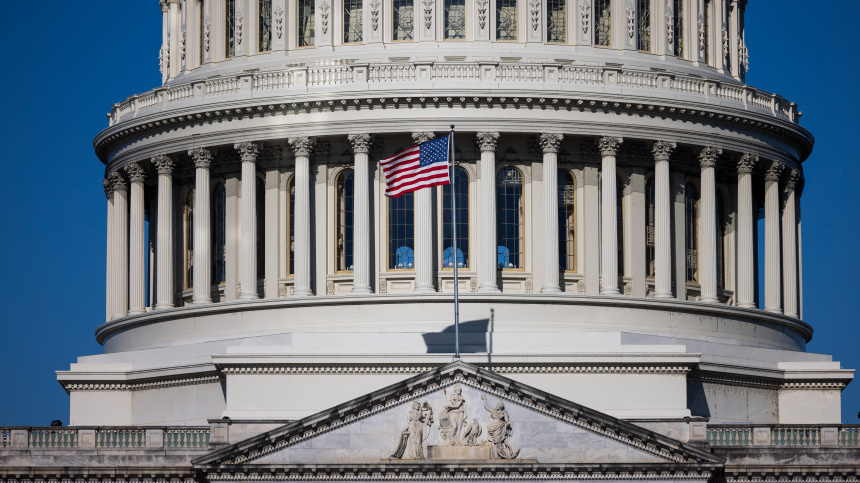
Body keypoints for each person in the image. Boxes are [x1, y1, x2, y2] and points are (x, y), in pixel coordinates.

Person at [481, 395, 519, 459]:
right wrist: (484, 399)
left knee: (498, 441)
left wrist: (506, 423)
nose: (497, 406)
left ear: (501, 407)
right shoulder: (493, 410)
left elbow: (507, 421)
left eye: (498, 405)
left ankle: (499, 454)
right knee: (492, 441)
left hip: (499, 427)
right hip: (492, 427)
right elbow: (486, 406)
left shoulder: (503, 412)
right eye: (497, 405)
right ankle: (494, 454)